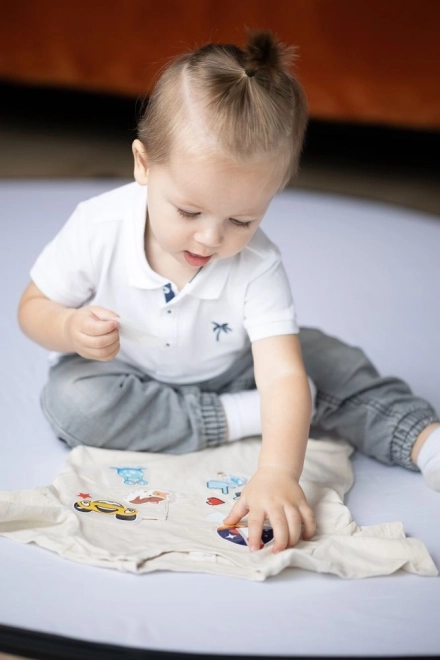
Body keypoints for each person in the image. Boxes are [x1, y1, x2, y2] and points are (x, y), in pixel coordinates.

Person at [17, 30, 440, 554]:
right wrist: (67, 328)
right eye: (189, 211)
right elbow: (32, 308)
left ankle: (426, 440)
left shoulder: (257, 264)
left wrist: (278, 473)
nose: (211, 239)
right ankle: (241, 416)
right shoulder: (98, 226)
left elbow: (283, 374)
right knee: (73, 403)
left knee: (332, 366)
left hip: (239, 364)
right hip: (129, 372)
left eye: (242, 218)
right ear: (143, 165)